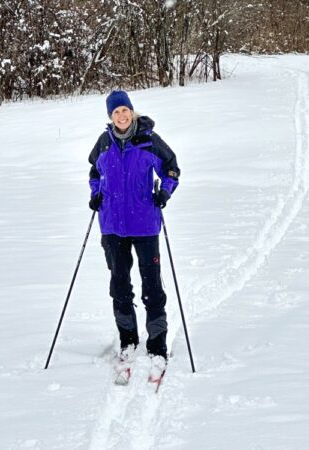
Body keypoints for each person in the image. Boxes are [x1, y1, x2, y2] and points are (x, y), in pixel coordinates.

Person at [88, 90, 180, 364]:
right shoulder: (104, 142)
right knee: (119, 285)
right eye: (116, 112)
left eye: (124, 110)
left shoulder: (149, 140)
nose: (121, 115)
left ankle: (157, 343)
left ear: (132, 111)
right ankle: (128, 340)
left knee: (152, 285)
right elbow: (94, 171)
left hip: (144, 224)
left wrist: (165, 191)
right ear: (110, 116)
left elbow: (171, 167)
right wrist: (96, 194)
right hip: (112, 225)